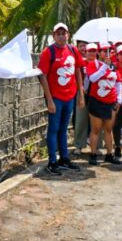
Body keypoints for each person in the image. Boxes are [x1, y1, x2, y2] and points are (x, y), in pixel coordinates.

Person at [38, 23, 84, 175]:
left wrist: (80, 95)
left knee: (63, 129)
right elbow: (42, 75)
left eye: (64, 33)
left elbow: (77, 71)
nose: (62, 36)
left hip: (70, 96)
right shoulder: (48, 52)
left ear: (68, 35)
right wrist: (49, 99)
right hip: (56, 97)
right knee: (53, 129)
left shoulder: (73, 50)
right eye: (58, 33)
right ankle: (52, 161)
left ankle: (64, 158)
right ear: (53, 35)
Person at [85, 43, 122, 165]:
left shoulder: (114, 66)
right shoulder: (92, 64)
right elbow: (93, 79)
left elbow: (118, 82)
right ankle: (93, 154)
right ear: (98, 52)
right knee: (95, 130)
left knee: (108, 129)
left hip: (110, 101)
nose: (106, 53)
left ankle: (109, 154)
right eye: (103, 51)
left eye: (109, 51)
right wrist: (104, 67)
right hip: (96, 101)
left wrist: (119, 98)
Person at [72, 40, 90, 155]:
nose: (83, 48)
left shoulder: (95, 60)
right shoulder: (74, 60)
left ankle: (94, 144)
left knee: (94, 120)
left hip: (94, 94)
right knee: (79, 120)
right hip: (79, 92)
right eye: (81, 46)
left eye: (85, 46)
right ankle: (79, 144)